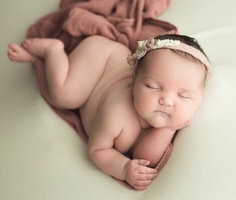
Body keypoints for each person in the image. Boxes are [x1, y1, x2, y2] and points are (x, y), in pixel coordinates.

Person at [7, 34, 211, 190]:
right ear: (134, 80)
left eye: (183, 96)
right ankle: (53, 51)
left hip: (114, 62)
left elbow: (146, 155)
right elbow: (98, 150)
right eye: (152, 86)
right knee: (65, 96)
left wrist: (170, 128)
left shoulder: (165, 113)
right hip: (101, 60)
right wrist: (123, 168)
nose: (166, 100)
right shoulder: (116, 115)